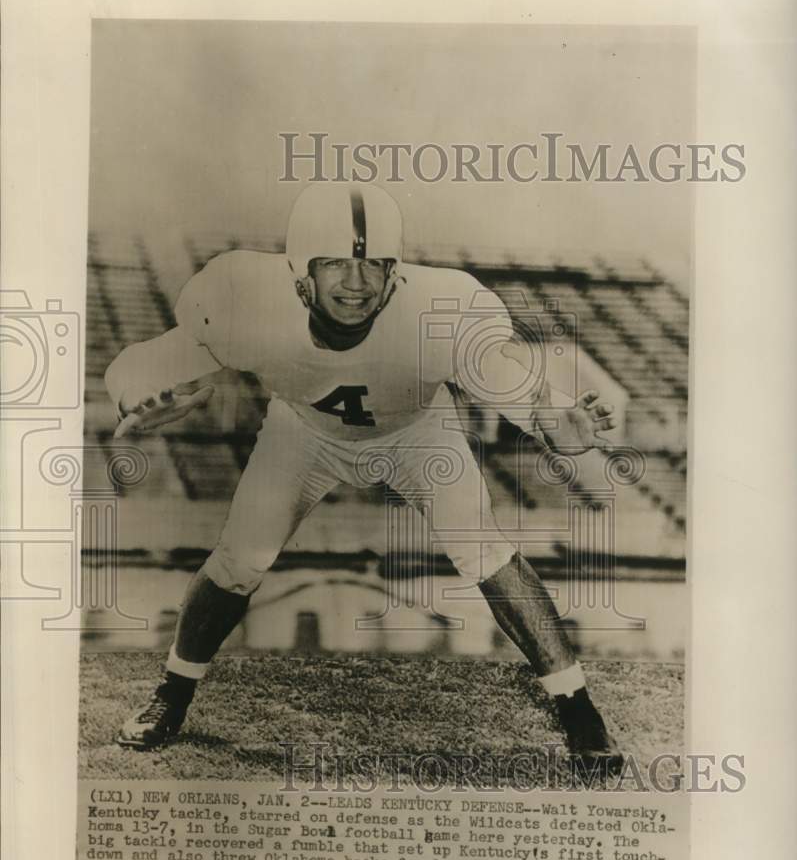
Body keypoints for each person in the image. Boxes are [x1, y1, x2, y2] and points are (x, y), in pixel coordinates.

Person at [105, 182, 622, 774]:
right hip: (302, 433)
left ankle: (579, 710)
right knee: (239, 559)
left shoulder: (439, 311)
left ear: (394, 273)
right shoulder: (242, 300)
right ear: (302, 275)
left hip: (416, 431)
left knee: (484, 548)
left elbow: (518, 389)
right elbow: (144, 363)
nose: (356, 281)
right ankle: (171, 694)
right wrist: (134, 397)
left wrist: (560, 420)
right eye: (336, 265)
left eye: (372, 264)